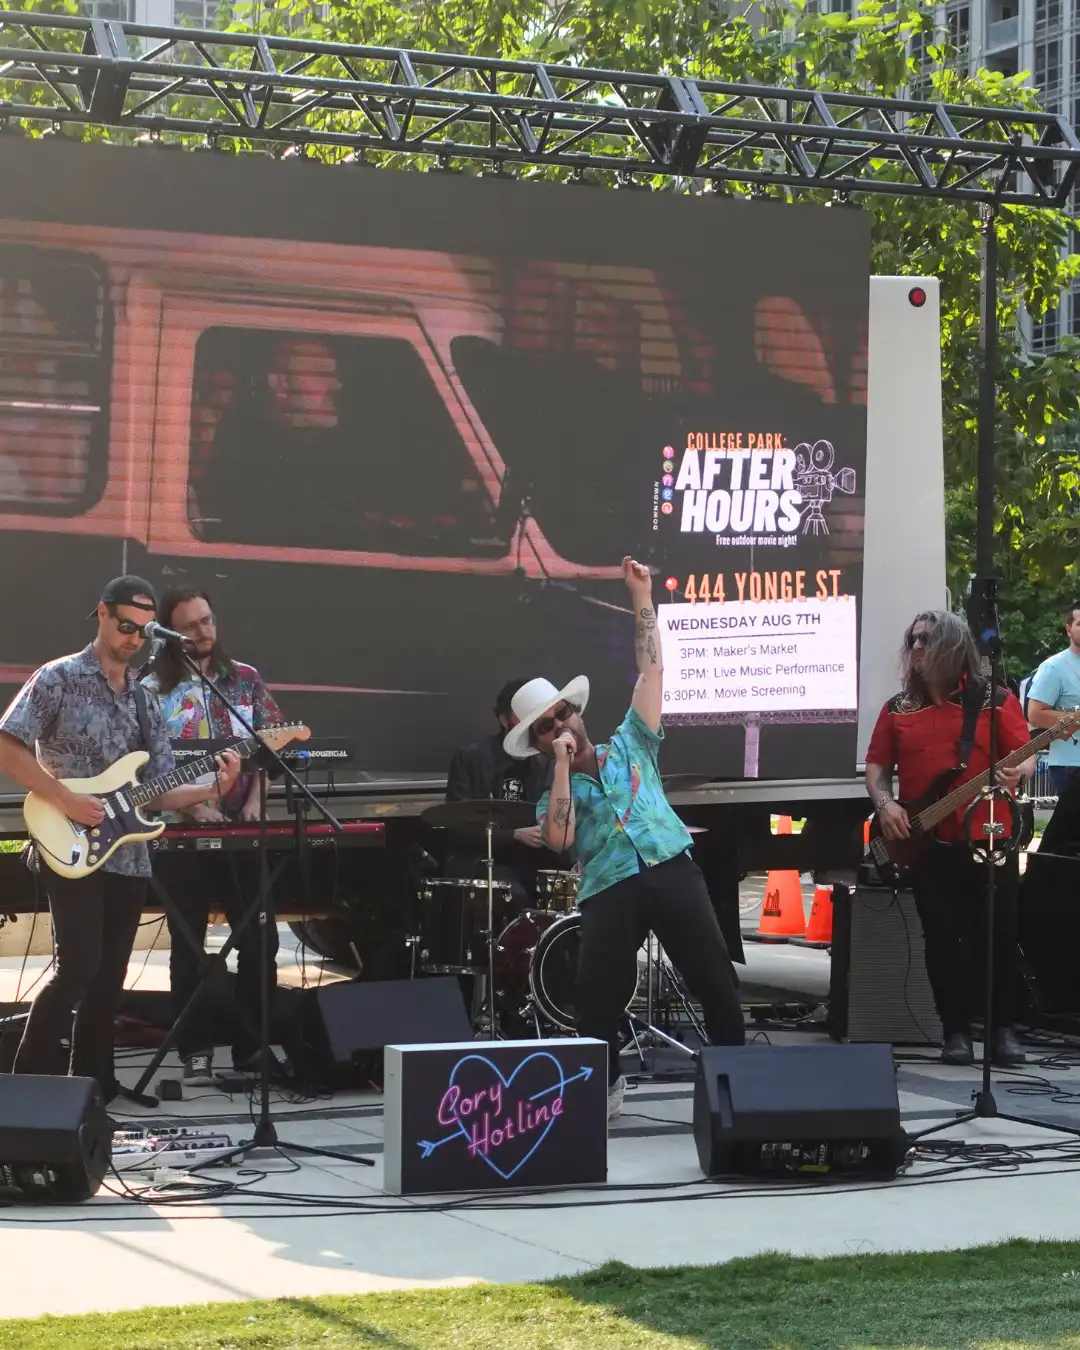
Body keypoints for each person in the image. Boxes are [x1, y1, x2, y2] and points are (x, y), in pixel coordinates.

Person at [506, 557, 745, 1119]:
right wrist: (562, 767)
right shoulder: (550, 794)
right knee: (598, 996)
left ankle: (739, 1082)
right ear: (537, 742)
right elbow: (561, 839)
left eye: (563, 714)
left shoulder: (632, 742)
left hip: (668, 863)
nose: (560, 725)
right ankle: (603, 1088)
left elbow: (652, 671)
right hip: (609, 886)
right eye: (546, 726)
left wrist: (642, 596)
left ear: (579, 712)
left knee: (713, 975)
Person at [0, 577, 241, 1102]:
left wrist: (215, 786)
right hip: (68, 842)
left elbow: (153, 792)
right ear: (103, 615)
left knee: (110, 977)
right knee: (77, 970)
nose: (133, 638)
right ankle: (25, 1091)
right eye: (126, 625)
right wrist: (64, 798)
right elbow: (7, 745)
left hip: (127, 854)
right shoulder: (58, 678)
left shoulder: (145, 700)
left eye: (142, 631)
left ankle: (95, 1085)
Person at [865, 610, 1034, 1068]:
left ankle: (1003, 1032)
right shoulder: (898, 709)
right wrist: (886, 805)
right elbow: (877, 768)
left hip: (989, 837)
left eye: (926, 639)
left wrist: (1021, 770)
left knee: (996, 937)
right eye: (912, 639)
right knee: (940, 939)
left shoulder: (996, 701)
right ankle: (954, 1032)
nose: (916, 647)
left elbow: (1026, 757)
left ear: (953, 646)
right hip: (927, 842)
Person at [142, 587, 284, 1086]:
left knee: (260, 939)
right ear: (168, 634)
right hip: (182, 837)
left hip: (242, 833)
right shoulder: (152, 689)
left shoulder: (243, 680)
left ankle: (252, 1047)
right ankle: (195, 1051)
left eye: (207, 621)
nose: (203, 632)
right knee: (190, 944)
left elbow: (271, 748)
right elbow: (148, 768)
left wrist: (253, 801)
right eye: (190, 626)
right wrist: (195, 806)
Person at [443, 678, 554, 899]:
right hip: (483, 862)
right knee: (514, 893)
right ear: (504, 719)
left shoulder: (548, 761)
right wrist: (513, 836)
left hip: (533, 862)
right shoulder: (471, 759)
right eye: (525, 713)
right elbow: (457, 827)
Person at [1025, 602, 1080, 799]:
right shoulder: (1053, 667)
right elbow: (1035, 715)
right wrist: (1076, 718)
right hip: (1071, 765)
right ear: (1068, 629)